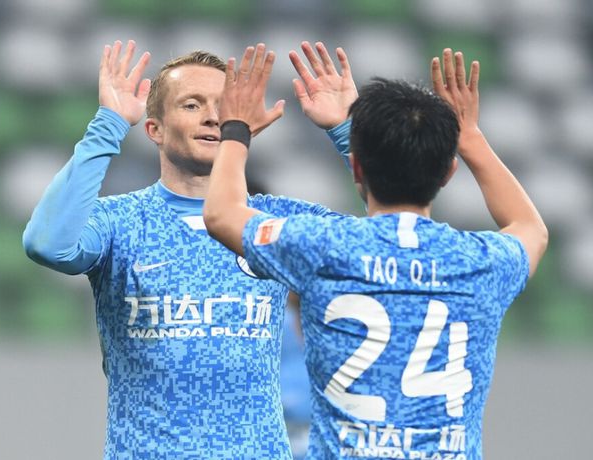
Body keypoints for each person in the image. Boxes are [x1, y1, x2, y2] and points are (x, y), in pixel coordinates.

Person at [203, 47, 548, 460]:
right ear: (448, 173)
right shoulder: (481, 262)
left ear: (357, 169)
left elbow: (221, 213)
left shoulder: (322, 246)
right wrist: (470, 137)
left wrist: (236, 129)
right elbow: (530, 228)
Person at [22, 39, 357, 459]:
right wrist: (108, 124)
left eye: (223, 105)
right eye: (192, 104)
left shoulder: (272, 222)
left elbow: (387, 240)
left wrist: (346, 131)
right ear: (155, 130)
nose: (213, 116)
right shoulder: (120, 222)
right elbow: (48, 244)